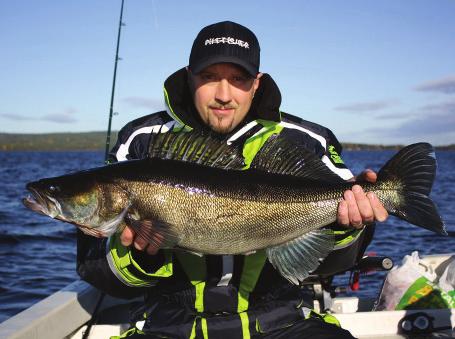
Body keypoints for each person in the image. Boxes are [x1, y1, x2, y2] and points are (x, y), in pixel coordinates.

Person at [77, 21, 388, 338]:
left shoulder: (307, 140)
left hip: (282, 321)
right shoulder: (141, 141)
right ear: (189, 76)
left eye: (238, 79)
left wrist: (348, 227)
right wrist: (143, 254)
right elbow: (100, 273)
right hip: (171, 326)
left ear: (256, 83)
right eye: (209, 77)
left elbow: (334, 263)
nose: (223, 95)